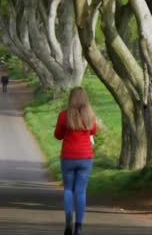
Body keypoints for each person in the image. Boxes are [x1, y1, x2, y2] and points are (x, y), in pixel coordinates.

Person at [54, 87, 97, 235]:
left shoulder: (63, 115)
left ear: (71, 98)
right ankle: (78, 227)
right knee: (80, 191)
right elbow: (93, 131)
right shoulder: (90, 116)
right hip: (85, 157)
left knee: (68, 189)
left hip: (68, 157)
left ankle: (68, 224)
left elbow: (58, 135)